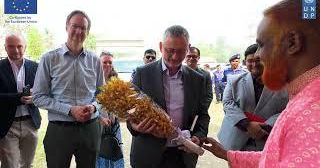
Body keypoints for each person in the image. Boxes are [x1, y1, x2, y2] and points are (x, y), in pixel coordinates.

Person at [202, 0, 320, 167]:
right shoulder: (303, 96)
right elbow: (274, 159)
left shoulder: (313, 112)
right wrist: (228, 154)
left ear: (293, 43)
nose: (257, 55)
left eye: (262, 44)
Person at [128, 25, 210, 168]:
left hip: (182, 155)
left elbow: (202, 115)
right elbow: (130, 113)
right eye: (170, 50)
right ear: (161, 46)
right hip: (148, 154)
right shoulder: (142, 74)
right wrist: (135, 127)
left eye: (181, 51)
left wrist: (198, 136)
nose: (175, 57)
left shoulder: (197, 79)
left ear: (188, 48)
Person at [32, 10, 104, 168]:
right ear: (66, 27)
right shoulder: (49, 58)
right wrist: (70, 110)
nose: (79, 31)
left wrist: (93, 107)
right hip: (59, 130)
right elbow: (38, 97)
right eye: (75, 26)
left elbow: (103, 95)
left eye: (83, 28)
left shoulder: (95, 60)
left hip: (90, 129)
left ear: (88, 32)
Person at [217, 44, 288, 151]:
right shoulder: (233, 80)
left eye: (259, 60)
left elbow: (288, 109)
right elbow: (227, 103)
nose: (254, 64)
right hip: (237, 140)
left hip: (267, 139)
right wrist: (247, 125)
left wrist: (263, 127)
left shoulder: (284, 85)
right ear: (245, 62)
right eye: (250, 60)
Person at [0, 34, 41, 168]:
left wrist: (35, 97)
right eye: (11, 46)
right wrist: (18, 98)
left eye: (19, 46)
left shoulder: (36, 67)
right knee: (9, 165)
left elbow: (46, 93)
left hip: (31, 123)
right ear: (5, 48)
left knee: (27, 164)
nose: (16, 50)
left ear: (25, 47)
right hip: (7, 125)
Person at [97, 51, 124, 168]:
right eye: (104, 62)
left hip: (114, 127)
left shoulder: (116, 81)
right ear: (99, 63)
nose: (107, 65)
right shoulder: (92, 80)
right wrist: (98, 118)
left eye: (110, 62)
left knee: (114, 156)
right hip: (98, 127)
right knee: (100, 158)